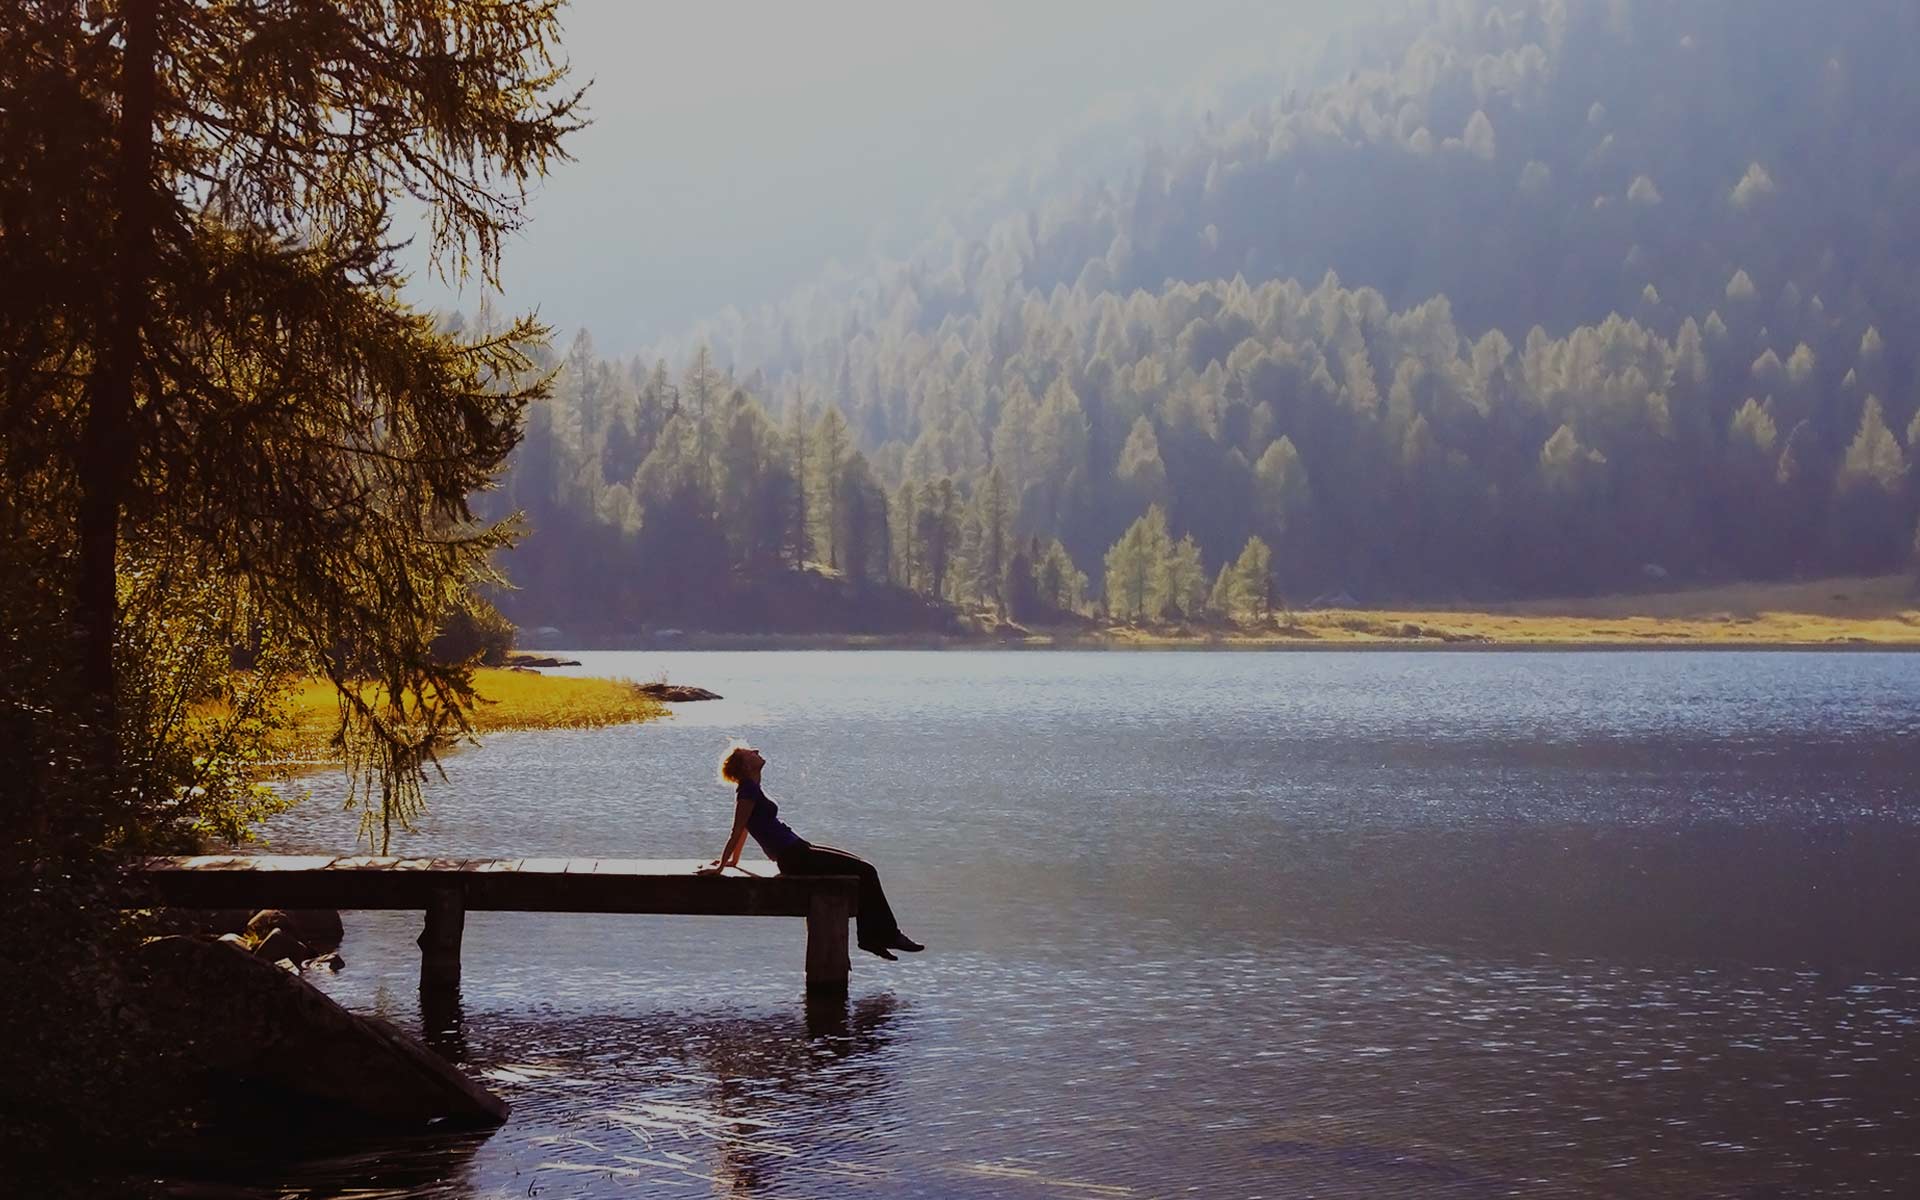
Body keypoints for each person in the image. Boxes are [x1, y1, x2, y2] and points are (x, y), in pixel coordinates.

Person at [700, 743, 924, 961]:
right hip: (794, 858)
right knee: (866, 871)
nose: (756, 751)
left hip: (798, 850)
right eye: (750, 752)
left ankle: (873, 936)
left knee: (862, 868)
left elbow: (745, 828)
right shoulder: (747, 789)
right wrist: (721, 866)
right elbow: (737, 828)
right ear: (745, 765)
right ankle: (884, 935)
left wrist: (733, 861)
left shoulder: (752, 787)